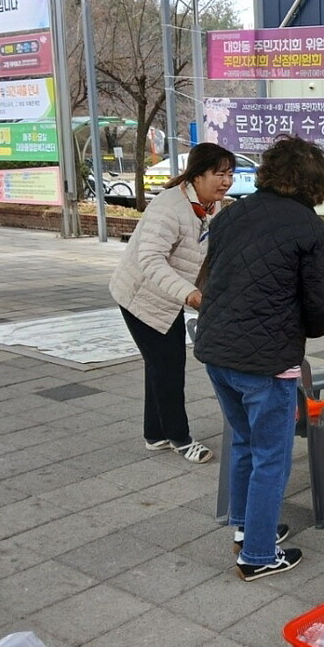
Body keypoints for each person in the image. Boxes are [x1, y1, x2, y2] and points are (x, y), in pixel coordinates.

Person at [193, 135, 324, 581]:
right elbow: (319, 311)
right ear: (317, 183)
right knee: (270, 456)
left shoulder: (232, 214)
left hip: (218, 351)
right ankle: (256, 554)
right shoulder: (311, 229)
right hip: (268, 361)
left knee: (243, 443)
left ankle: (245, 526)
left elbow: (214, 276)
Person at [109, 142, 236, 465]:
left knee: (161, 364)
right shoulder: (170, 206)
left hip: (169, 295)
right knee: (167, 364)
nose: (226, 181)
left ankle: (155, 434)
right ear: (196, 175)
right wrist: (190, 294)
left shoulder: (213, 206)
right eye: (219, 174)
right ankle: (180, 437)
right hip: (141, 295)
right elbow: (150, 260)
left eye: (230, 174)